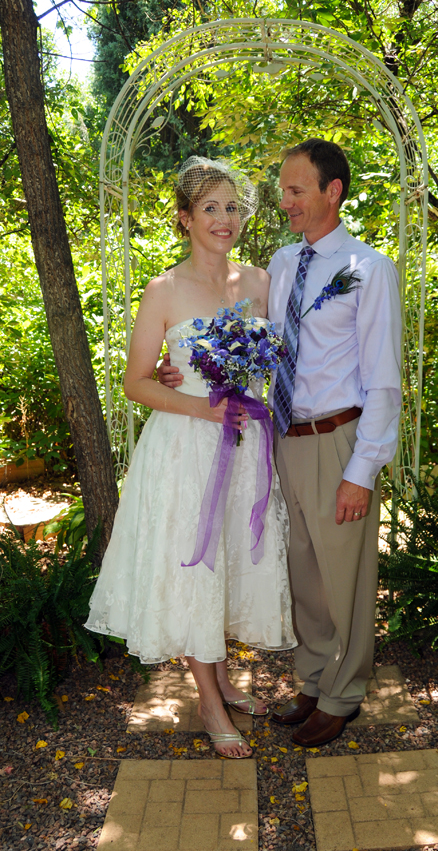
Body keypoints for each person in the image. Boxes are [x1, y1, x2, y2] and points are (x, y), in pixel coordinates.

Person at [159, 139, 402, 747]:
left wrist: (362, 470)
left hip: (337, 438)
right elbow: (236, 336)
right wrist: (180, 370)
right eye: (283, 191)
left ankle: (344, 693)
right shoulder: (283, 262)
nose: (284, 202)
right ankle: (315, 680)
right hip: (279, 439)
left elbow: (384, 379)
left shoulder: (371, 271)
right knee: (305, 574)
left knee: (345, 573)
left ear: (332, 192)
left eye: (296, 191)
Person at [86, 157, 296, 759]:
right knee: (195, 566)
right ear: (185, 218)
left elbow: (284, 360)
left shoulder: (258, 283)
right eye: (210, 208)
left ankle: (224, 679)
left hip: (246, 443)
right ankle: (207, 699)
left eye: (232, 207)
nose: (225, 219)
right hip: (186, 443)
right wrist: (198, 404)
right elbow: (135, 383)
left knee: (230, 557)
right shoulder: (164, 290)